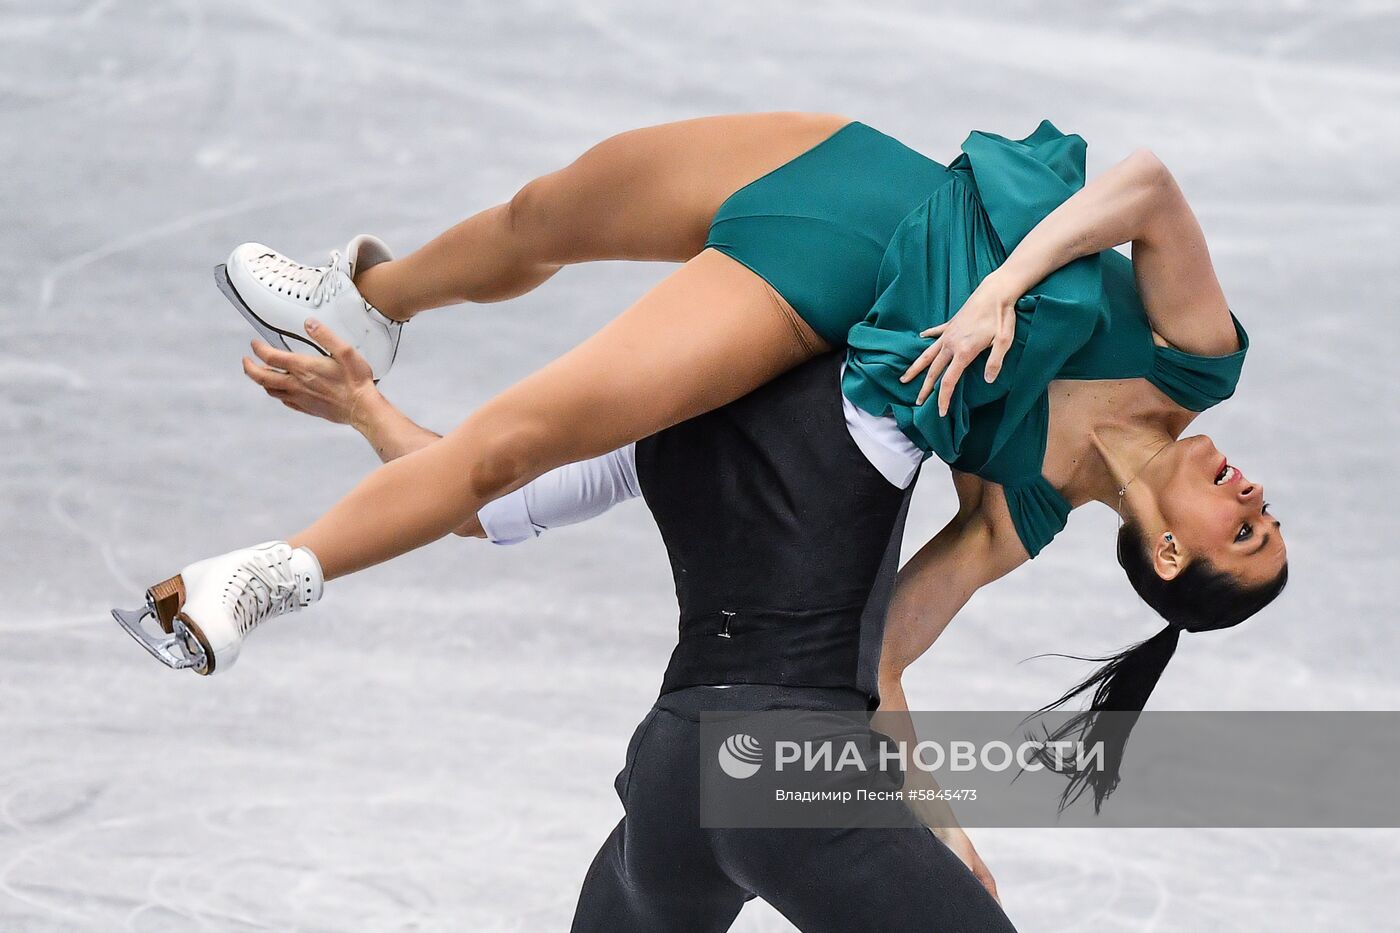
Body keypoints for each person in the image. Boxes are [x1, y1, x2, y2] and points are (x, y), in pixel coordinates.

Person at [114, 111, 1288, 803]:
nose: (1249, 492)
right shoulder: (1196, 359)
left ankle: (264, 577)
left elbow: (870, 671)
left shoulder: (1016, 515)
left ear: (1171, 552)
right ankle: (366, 296)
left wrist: (945, 831)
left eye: (1244, 531)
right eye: (1266, 509)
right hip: (839, 167)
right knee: (543, 214)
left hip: (813, 290)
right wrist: (997, 292)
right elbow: (1141, 187)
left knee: (520, 442)